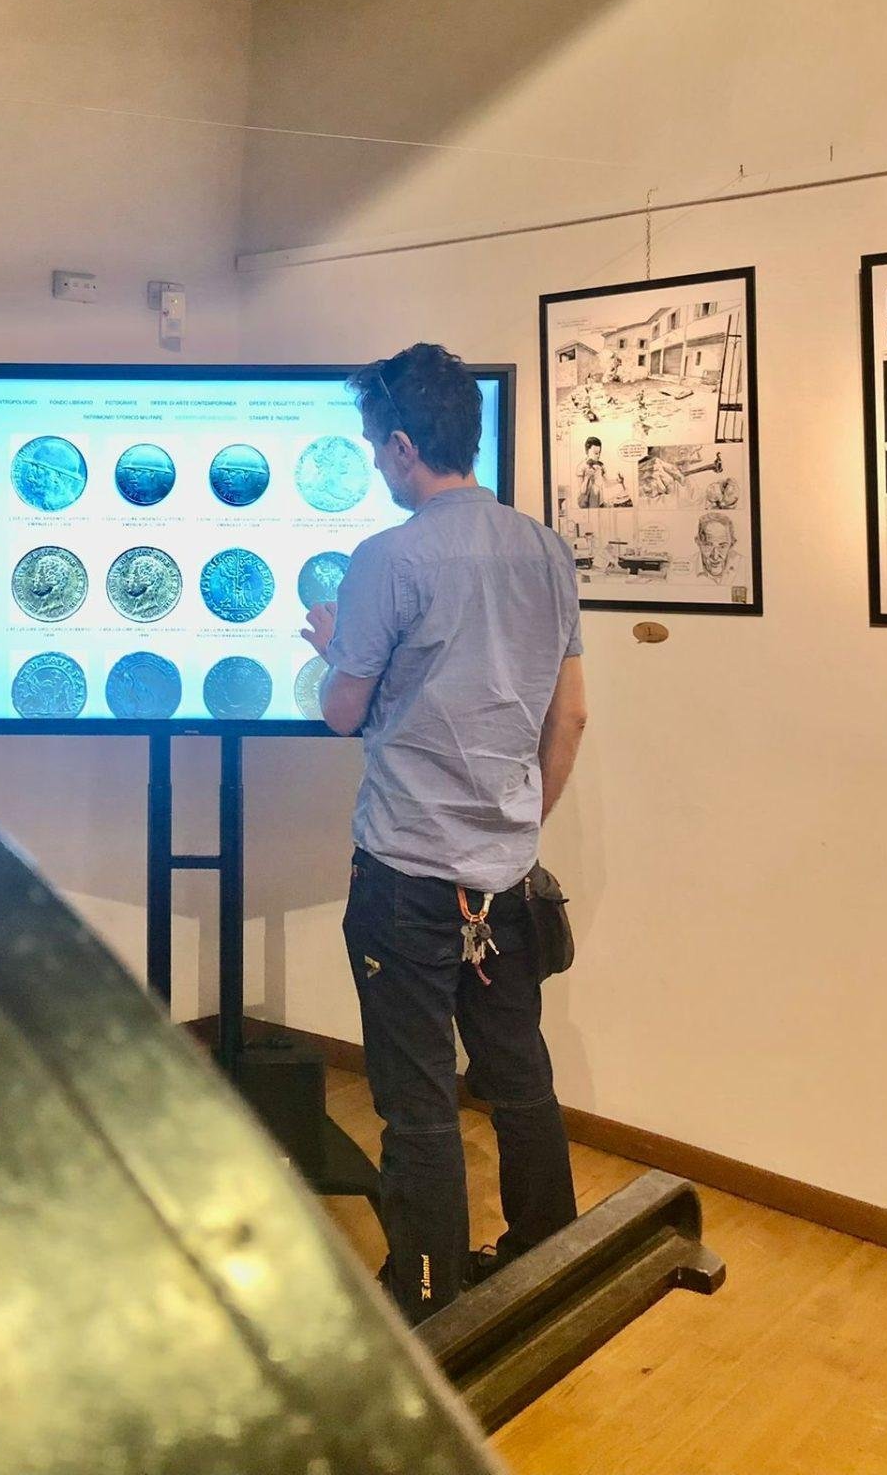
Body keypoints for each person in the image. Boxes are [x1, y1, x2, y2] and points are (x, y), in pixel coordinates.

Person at [301, 343, 587, 1324]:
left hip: (406, 874)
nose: (377, 465)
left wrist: (332, 646)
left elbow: (343, 711)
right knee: (519, 1074)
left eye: (373, 447)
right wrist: (515, 829)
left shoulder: (388, 558)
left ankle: (430, 1295)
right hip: (506, 873)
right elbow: (571, 715)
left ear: (404, 446)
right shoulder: (546, 550)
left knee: (417, 1096)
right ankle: (551, 1255)